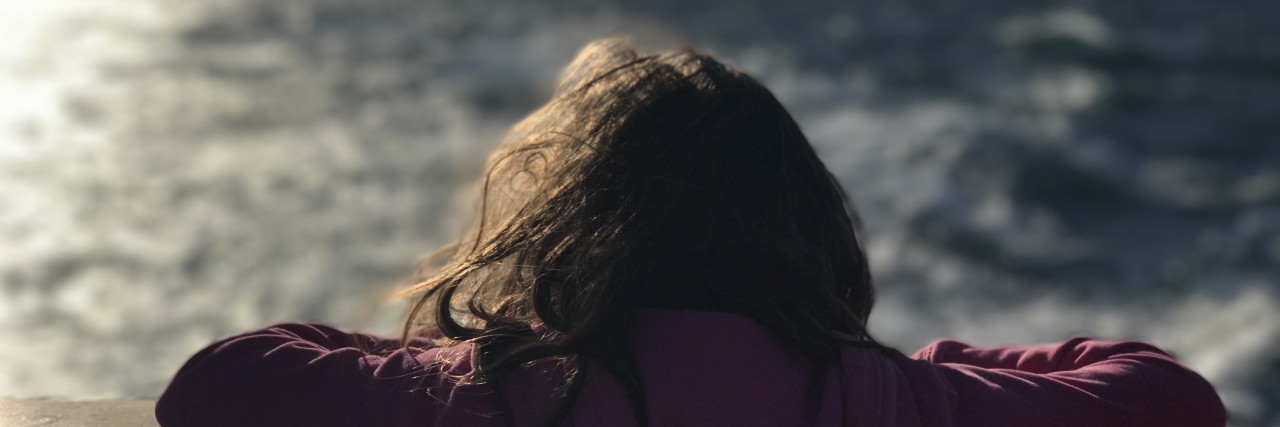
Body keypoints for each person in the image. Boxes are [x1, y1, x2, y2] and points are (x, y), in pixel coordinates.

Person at [154, 39, 1226, 427]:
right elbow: (1168, 395)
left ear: (566, 230)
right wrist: (934, 367)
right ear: (806, 227)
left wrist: (459, 357)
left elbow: (218, 383)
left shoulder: (485, 396)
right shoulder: (886, 400)